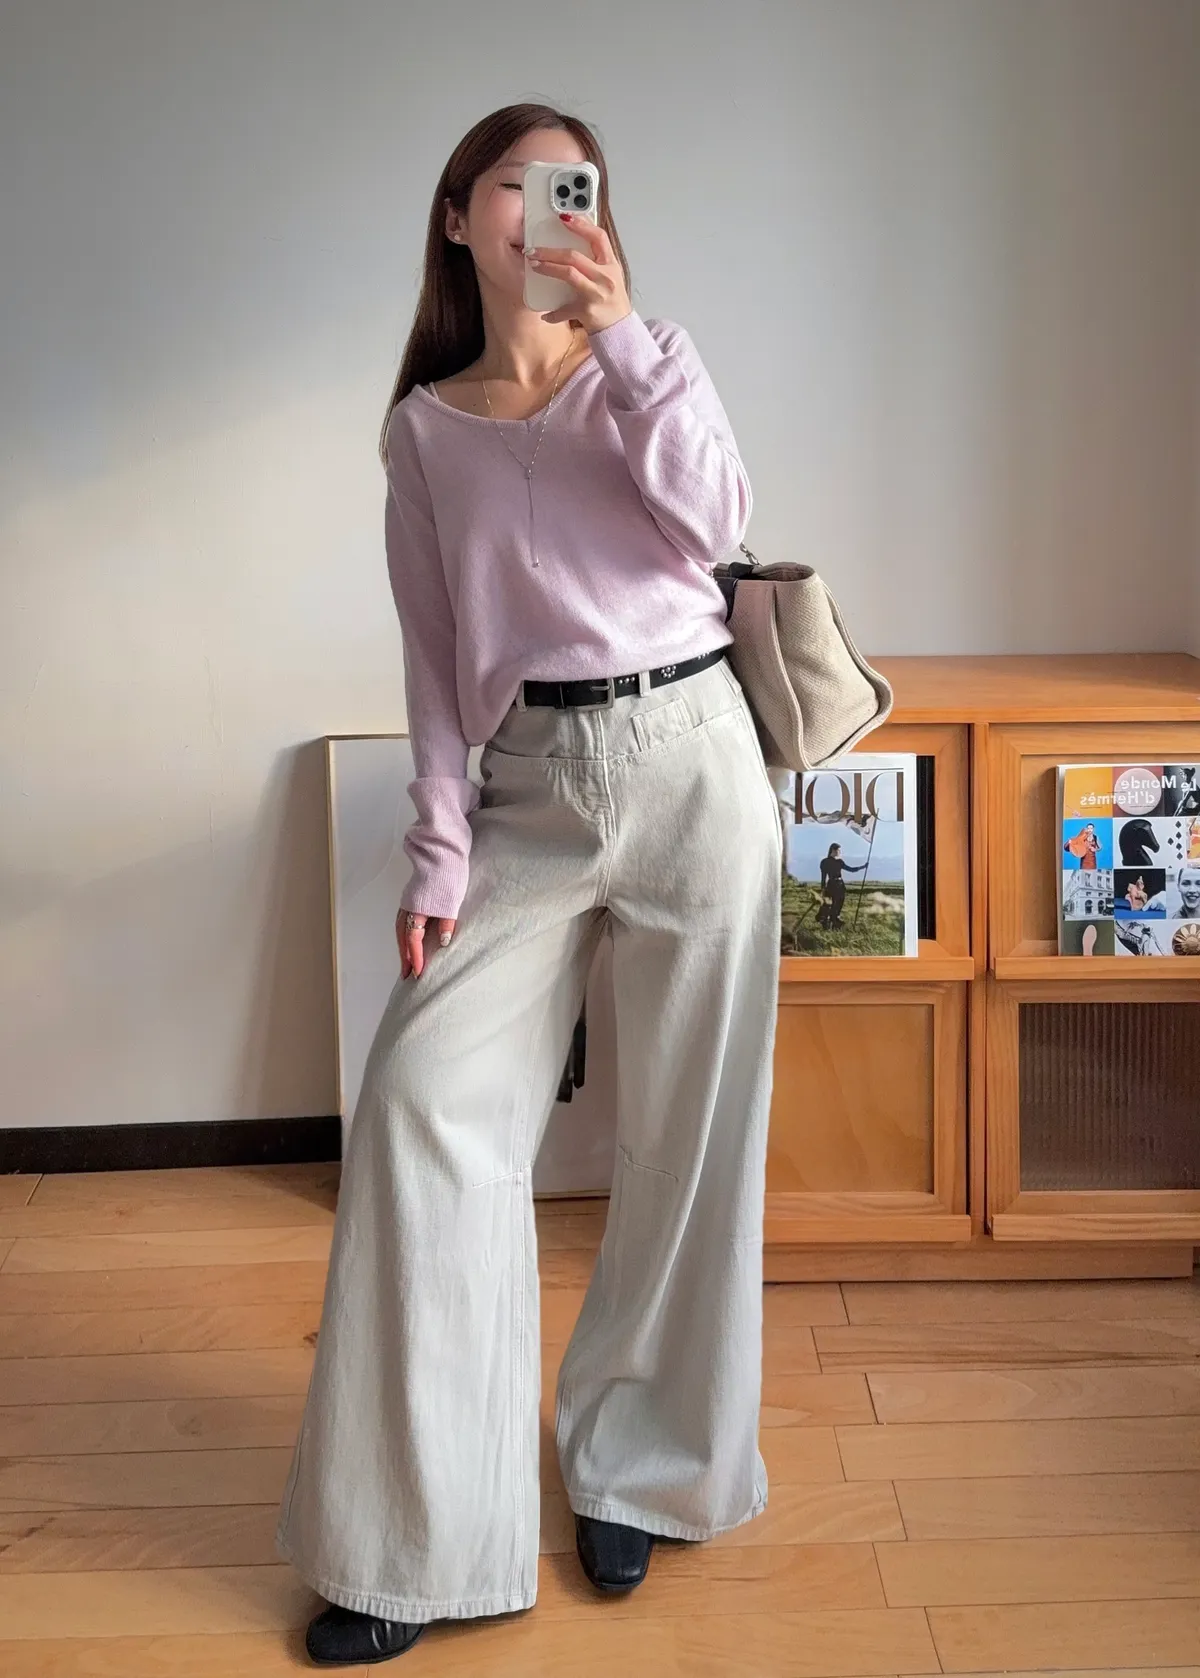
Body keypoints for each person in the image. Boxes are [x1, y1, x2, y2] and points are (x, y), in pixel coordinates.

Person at [274, 104, 782, 1668]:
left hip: (695, 755)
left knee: (689, 1135)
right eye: (515, 182)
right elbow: (435, 661)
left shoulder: (651, 364)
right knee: (422, 1104)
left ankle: (639, 1464)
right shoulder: (424, 432)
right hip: (529, 787)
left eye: (573, 186)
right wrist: (438, 846)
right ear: (457, 216)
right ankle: (415, 1536)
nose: (546, 210)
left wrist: (625, 342)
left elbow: (719, 524)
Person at [816, 841, 867, 929]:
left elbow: (851, 869)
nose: (840, 852)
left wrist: (863, 867)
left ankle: (835, 920)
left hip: (840, 885)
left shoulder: (839, 862)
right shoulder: (825, 862)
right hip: (832, 886)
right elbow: (823, 877)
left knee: (839, 903)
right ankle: (827, 921)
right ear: (833, 850)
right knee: (830, 904)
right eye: (838, 850)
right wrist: (823, 889)